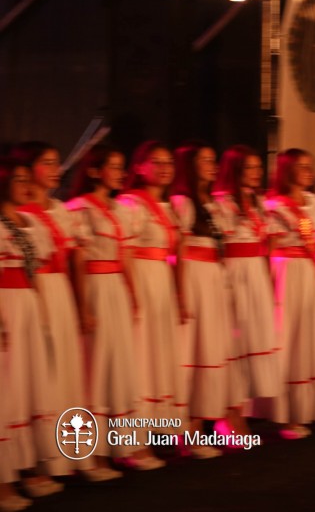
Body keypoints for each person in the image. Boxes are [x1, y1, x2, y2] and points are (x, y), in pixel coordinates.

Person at [66, 143, 164, 472]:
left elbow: (126, 257)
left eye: (123, 166)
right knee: (95, 367)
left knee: (119, 366)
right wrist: (83, 307)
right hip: (95, 288)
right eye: (113, 166)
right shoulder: (80, 208)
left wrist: (133, 296)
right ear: (95, 170)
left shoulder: (122, 210)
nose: (120, 173)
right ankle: (89, 454)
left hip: (116, 291)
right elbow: (78, 260)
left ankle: (121, 447)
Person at [12, 142, 88, 476]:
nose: (55, 169)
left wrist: (81, 303)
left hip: (61, 295)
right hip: (35, 294)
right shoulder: (19, 215)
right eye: (46, 163)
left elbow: (74, 261)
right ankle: (39, 462)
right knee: (43, 375)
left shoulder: (61, 210)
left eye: (57, 162)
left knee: (67, 371)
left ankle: (67, 455)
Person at [171, 140, 248, 457]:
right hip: (194, 278)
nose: (212, 165)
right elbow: (177, 250)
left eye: (214, 160)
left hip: (215, 279)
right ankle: (186, 433)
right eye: (205, 160)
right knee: (194, 350)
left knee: (212, 350)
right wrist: (181, 291)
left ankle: (209, 423)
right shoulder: (181, 201)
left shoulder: (215, 203)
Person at [264, 148, 315, 437]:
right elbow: (269, 248)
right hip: (284, 272)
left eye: (311, 166)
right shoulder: (274, 206)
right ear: (287, 171)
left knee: (305, 338)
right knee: (285, 336)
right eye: (302, 167)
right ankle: (283, 414)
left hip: (309, 274)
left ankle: (302, 410)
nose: (309, 172)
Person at [0, 158, 63, 500]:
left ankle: (27, 467)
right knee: (5, 390)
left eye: (28, 178)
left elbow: (33, 273)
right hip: (5, 305)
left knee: (28, 384)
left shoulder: (27, 221)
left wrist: (41, 314)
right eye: (18, 177)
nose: (26, 184)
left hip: (25, 303)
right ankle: (2, 481)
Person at [119, 141, 184, 429]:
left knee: (160, 350)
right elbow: (127, 253)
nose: (164, 168)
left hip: (161, 280)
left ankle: (160, 425)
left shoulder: (169, 207)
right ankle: (137, 430)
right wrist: (133, 295)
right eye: (156, 162)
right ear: (139, 167)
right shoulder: (130, 204)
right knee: (143, 351)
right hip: (143, 278)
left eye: (168, 162)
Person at [213, 145, 281, 409]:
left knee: (254, 334)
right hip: (235, 270)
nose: (256, 172)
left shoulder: (259, 202)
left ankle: (244, 406)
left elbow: (269, 239)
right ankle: (230, 412)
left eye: (258, 167)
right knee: (235, 336)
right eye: (249, 167)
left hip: (256, 271)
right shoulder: (221, 202)